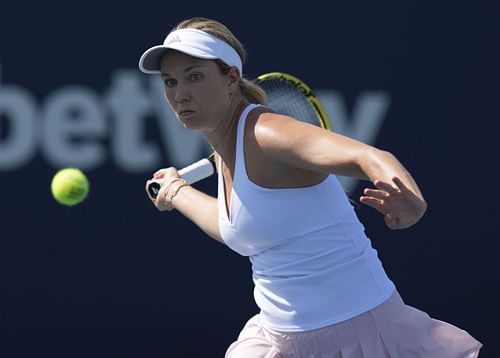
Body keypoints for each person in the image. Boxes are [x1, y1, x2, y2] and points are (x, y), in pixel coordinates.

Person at [139, 17, 482, 357]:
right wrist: (178, 191)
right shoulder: (230, 150)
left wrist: (412, 202)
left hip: (360, 335)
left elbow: (369, 156)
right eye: (170, 82)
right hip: (278, 339)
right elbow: (236, 229)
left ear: (231, 78)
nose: (180, 94)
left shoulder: (267, 134)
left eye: (194, 77)